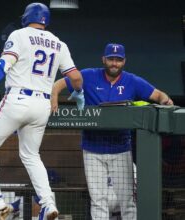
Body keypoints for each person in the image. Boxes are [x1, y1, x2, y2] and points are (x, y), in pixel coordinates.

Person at [0, 2, 84, 219]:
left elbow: (3, 64)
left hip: (18, 98)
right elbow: (76, 77)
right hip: (42, 105)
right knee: (31, 155)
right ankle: (48, 204)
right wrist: (78, 92)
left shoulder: (20, 35)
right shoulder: (59, 44)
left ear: (26, 17)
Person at [51, 43, 174, 220]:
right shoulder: (89, 75)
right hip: (92, 149)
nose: (114, 63)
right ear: (104, 59)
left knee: (127, 201)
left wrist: (165, 100)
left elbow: (158, 94)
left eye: (118, 60)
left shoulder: (132, 81)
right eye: (111, 59)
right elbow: (59, 84)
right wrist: (54, 97)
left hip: (121, 150)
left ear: (124, 61)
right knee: (98, 201)